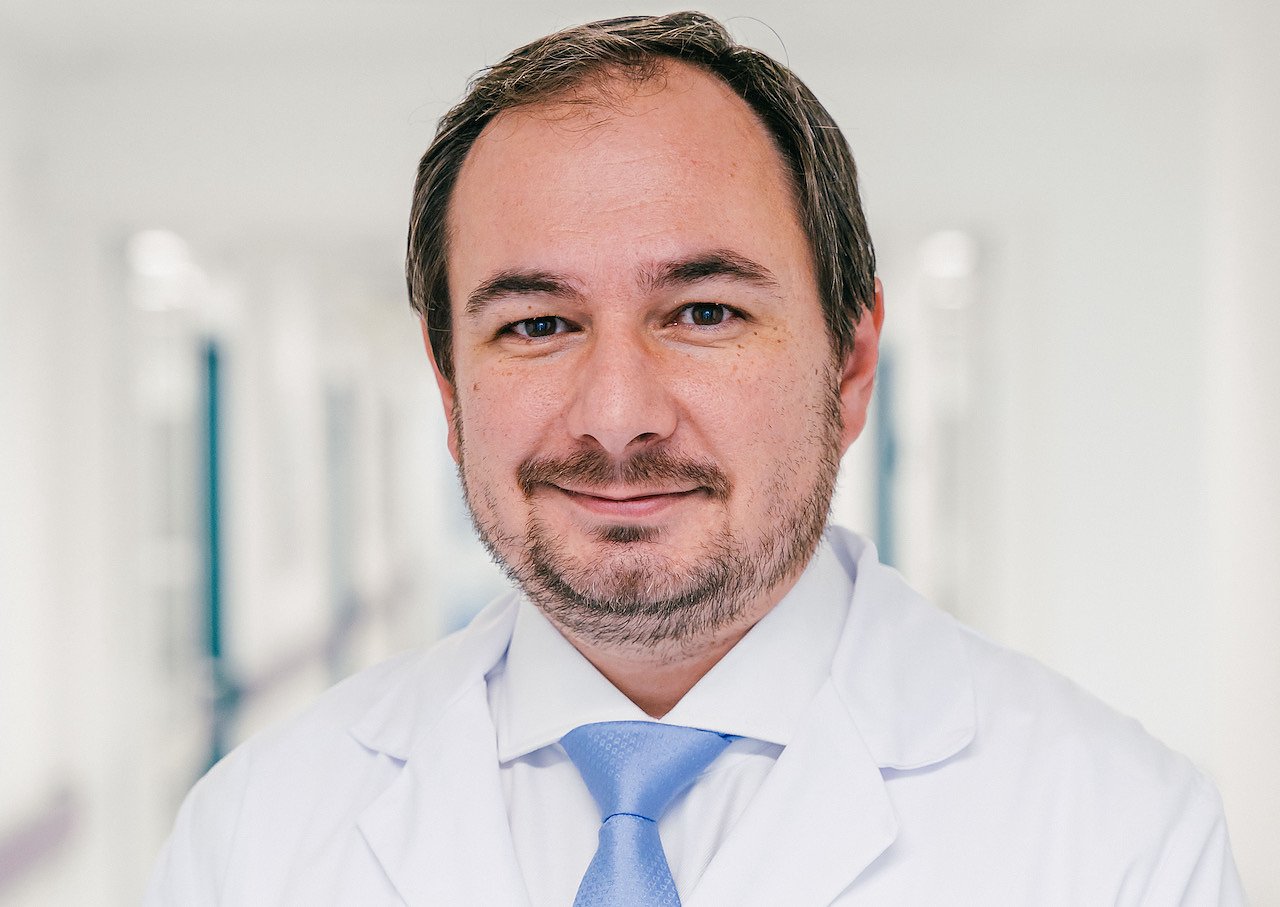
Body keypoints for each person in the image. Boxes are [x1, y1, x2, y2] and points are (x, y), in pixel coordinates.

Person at [146, 11, 1244, 905]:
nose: (617, 417)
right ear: (449, 389)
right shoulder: (251, 838)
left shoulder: (1119, 839)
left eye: (704, 312)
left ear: (850, 364)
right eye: (536, 325)